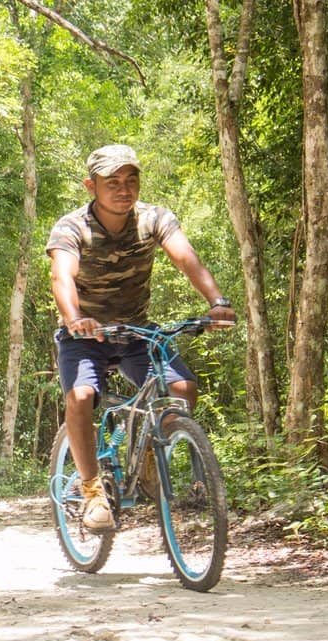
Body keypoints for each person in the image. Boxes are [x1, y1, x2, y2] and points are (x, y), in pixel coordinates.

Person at [46, 144, 236, 532]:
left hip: (134, 330)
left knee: (182, 388)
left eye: (131, 181)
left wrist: (217, 302)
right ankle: (92, 491)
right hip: (86, 333)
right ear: (91, 186)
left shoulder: (154, 218)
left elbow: (186, 257)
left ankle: (150, 451)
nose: (123, 189)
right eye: (112, 182)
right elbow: (61, 275)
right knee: (81, 397)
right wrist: (75, 317)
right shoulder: (72, 227)